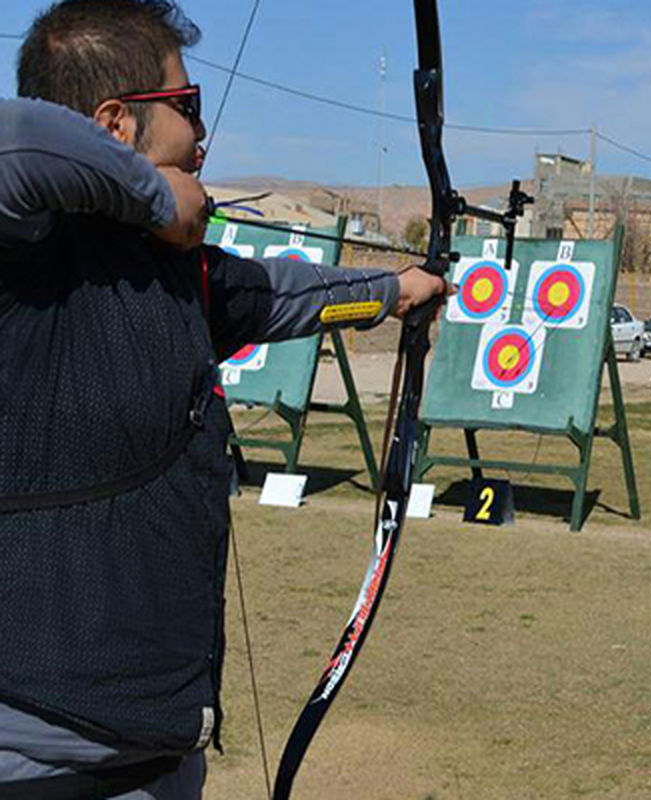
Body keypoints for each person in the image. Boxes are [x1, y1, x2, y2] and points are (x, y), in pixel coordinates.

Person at [0, 1, 448, 797]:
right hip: (37, 750)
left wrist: (394, 290)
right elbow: (12, 139)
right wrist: (154, 195)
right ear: (116, 123)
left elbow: (279, 293)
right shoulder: (24, 252)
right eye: (186, 107)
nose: (202, 135)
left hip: (160, 744)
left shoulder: (181, 270)